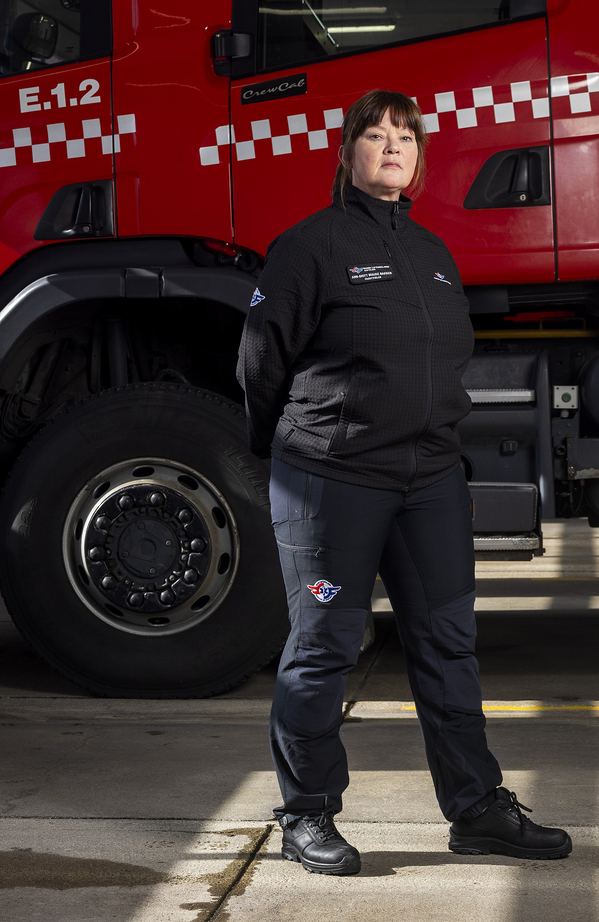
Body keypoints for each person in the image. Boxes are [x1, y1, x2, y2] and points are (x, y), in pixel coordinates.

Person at [237, 88, 571, 876]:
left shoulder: (431, 254)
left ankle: (477, 806)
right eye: (376, 133)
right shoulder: (308, 246)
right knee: (321, 648)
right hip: (333, 478)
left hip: (427, 483)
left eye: (405, 136)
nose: (392, 145)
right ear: (347, 152)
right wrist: (282, 447)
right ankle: (306, 812)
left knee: (449, 644)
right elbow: (259, 359)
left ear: (418, 157)